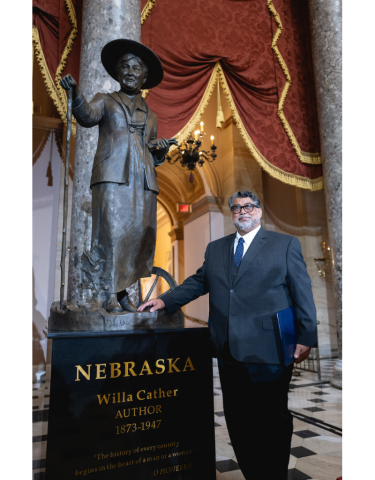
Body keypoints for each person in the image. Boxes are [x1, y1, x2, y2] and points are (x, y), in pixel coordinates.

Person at [138, 190, 317, 480]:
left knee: (271, 419)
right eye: (236, 208)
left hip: (268, 348)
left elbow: (302, 292)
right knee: (238, 419)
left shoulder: (284, 245)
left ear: (259, 211)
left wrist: (306, 335)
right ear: (232, 214)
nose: (242, 212)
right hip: (227, 349)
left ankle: (273, 475)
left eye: (248, 206)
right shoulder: (217, 248)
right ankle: (253, 473)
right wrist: (166, 300)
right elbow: (199, 282)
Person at [60, 39, 177, 313]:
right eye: (125, 66)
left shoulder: (152, 116)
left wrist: (158, 152)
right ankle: (107, 295)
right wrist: (75, 92)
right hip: (112, 175)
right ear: (116, 72)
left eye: (137, 68)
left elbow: (152, 152)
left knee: (137, 235)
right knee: (110, 234)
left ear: (145, 77)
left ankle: (123, 292)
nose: (130, 72)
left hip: (143, 179)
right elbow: (86, 117)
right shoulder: (105, 100)